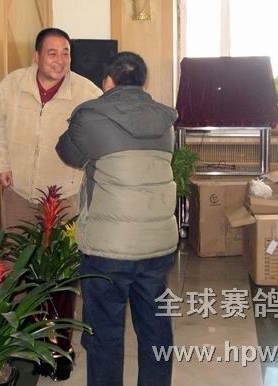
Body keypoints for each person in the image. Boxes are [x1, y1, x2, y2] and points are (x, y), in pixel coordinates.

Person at [56, 51, 179, 386]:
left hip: (107, 249)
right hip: (157, 246)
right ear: (141, 81)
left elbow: (67, 152)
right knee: (155, 328)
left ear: (108, 81)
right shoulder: (164, 120)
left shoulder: (90, 114)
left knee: (104, 335)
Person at [0, 27, 101, 227]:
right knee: (16, 246)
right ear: (37, 56)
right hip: (18, 191)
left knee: (63, 248)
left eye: (65, 54)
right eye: (52, 53)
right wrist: (1, 166)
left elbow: (100, 138)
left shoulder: (88, 93)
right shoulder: (11, 85)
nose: (60, 60)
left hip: (65, 196)